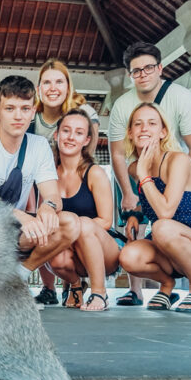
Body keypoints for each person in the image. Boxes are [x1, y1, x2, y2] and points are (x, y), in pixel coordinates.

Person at [108, 41, 191, 308]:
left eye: (148, 67)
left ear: (160, 68)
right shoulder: (122, 105)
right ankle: (136, 290)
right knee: (134, 229)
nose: (143, 74)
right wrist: (128, 193)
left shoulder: (182, 98)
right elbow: (117, 153)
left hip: (173, 168)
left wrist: (185, 184)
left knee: (171, 224)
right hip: (136, 170)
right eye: (136, 71)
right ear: (130, 75)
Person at [0, 75, 79, 286]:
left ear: (33, 112)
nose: (18, 116)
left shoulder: (39, 145)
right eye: (10, 108)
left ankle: (18, 277)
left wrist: (48, 208)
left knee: (69, 222)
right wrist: (20, 215)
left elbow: (52, 195)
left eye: (25, 109)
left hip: (17, 233)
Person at [118, 103, 191, 313]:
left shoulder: (178, 160)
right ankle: (167, 285)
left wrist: (144, 174)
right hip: (165, 245)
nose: (144, 128)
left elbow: (165, 211)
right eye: (137, 124)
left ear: (163, 132)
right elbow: (150, 197)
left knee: (162, 226)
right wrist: (135, 215)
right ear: (130, 133)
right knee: (127, 256)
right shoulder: (134, 168)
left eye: (152, 123)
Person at [28, 59, 101, 306]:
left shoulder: (85, 113)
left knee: (73, 225)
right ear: (39, 88)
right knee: (44, 224)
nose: (53, 87)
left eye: (59, 81)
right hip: (43, 180)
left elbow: (87, 152)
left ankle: (80, 283)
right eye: (46, 82)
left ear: (68, 86)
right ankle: (48, 287)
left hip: (75, 176)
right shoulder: (32, 116)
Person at [47, 110, 120, 311]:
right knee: (56, 257)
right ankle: (76, 286)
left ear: (86, 140)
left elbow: (106, 220)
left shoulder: (94, 173)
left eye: (78, 133)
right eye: (66, 131)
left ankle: (100, 293)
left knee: (85, 224)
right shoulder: (48, 174)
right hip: (71, 251)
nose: (71, 137)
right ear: (56, 135)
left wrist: (72, 232)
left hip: (104, 250)